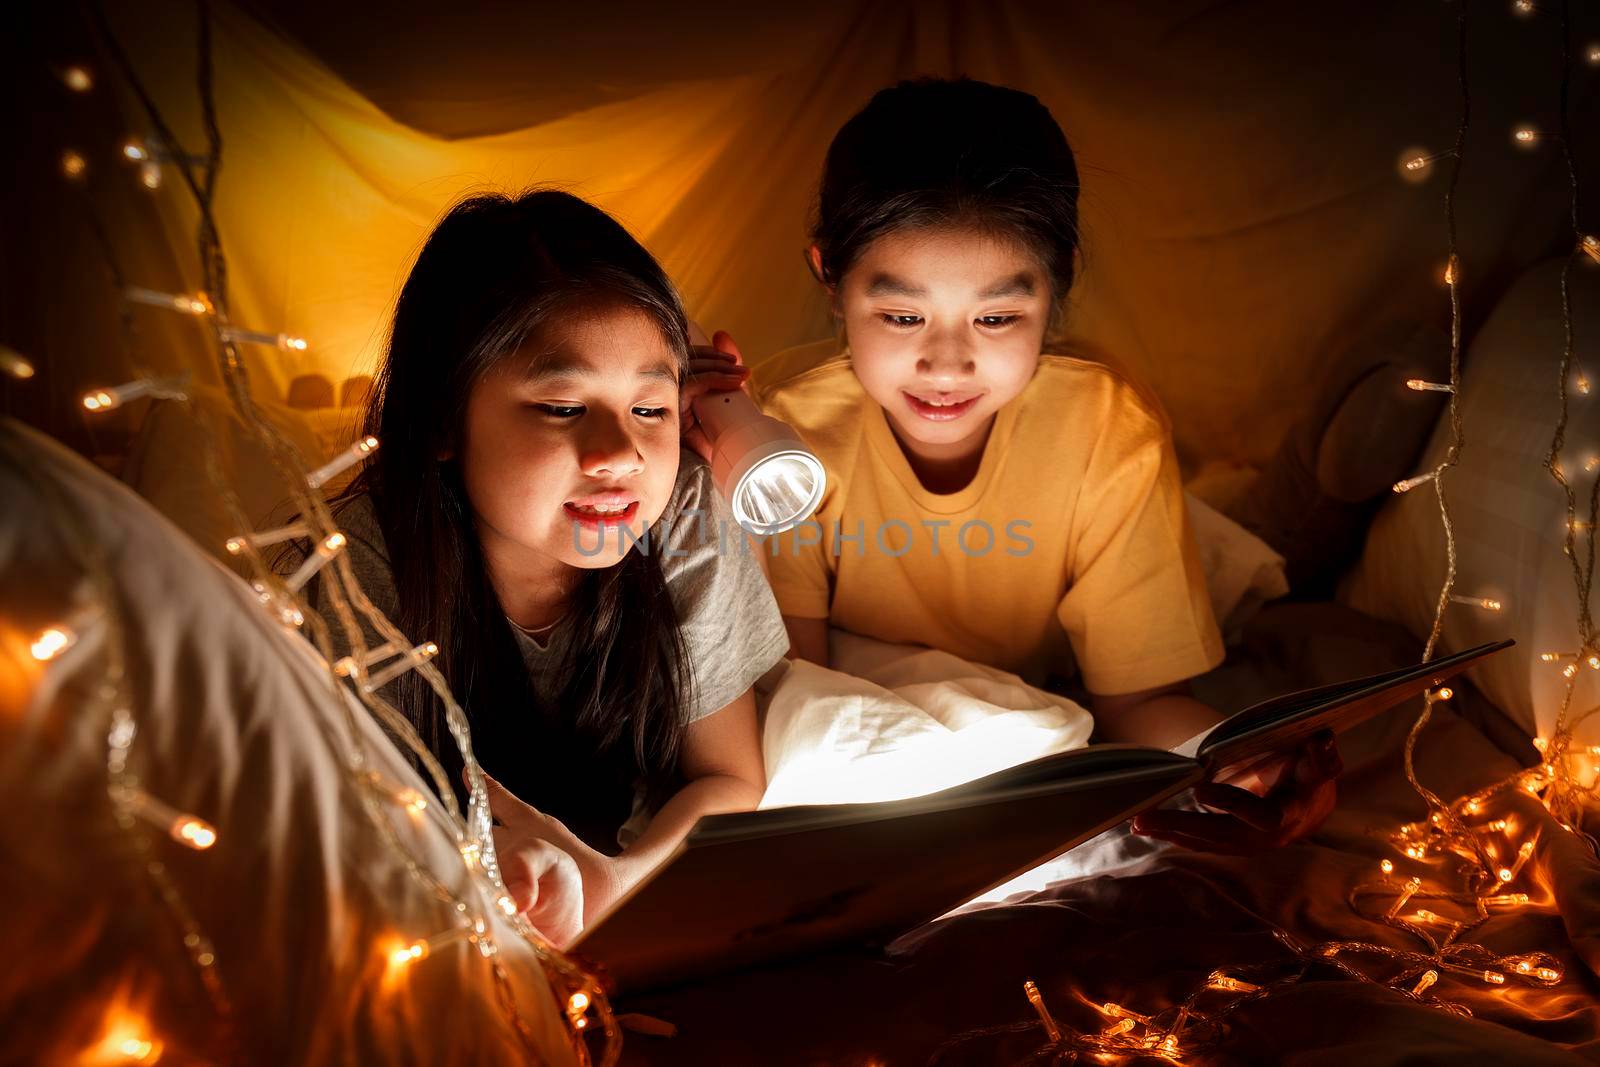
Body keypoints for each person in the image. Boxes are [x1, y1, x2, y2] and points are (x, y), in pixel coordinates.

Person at [734, 78, 1338, 854]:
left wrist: (1241, 762)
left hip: (1078, 614)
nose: (946, 363)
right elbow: (800, 694)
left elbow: (1140, 701)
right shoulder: (783, 434)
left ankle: (1318, 485)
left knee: (1254, 554)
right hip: (894, 674)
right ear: (829, 276)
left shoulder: (1103, 426)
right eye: (901, 316)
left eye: (996, 317)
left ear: (1058, 284)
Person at [289, 189, 785, 941]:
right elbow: (357, 828)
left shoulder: (682, 511)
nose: (619, 454)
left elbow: (729, 775)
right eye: (561, 407)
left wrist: (615, 884)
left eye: (648, 409)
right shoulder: (358, 561)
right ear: (442, 421)